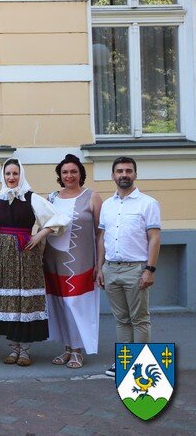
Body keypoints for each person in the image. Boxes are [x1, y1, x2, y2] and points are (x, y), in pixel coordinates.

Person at [0, 160, 67, 367]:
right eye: (8, 174)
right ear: (3, 176)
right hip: (1, 255)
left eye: (15, 173)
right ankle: (13, 348)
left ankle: (25, 351)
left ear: (21, 175)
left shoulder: (32, 198)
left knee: (23, 301)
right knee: (8, 302)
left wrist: (39, 235)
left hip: (25, 253)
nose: (11, 178)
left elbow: (58, 219)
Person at [97, 157, 161, 378]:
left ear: (135, 174)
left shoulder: (148, 203)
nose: (124, 174)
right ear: (113, 175)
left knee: (140, 319)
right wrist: (100, 268)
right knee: (122, 319)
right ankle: (124, 362)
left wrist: (150, 269)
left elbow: (154, 238)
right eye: (119, 171)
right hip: (111, 269)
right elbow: (102, 238)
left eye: (128, 170)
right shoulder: (107, 205)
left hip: (136, 269)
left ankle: (140, 366)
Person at [45, 154, 103, 370]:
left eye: (73, 171)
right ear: (60, 175)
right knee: (59, 305)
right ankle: (67, 348)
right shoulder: (52, 198)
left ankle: (78, 349)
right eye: (65, 172)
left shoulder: (92, 197)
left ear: (80, 174)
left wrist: (100, 264)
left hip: (81, 262)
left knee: (76, 304)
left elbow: (100, 233)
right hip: (52, 260)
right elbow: (44, 226)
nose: (69, 175)